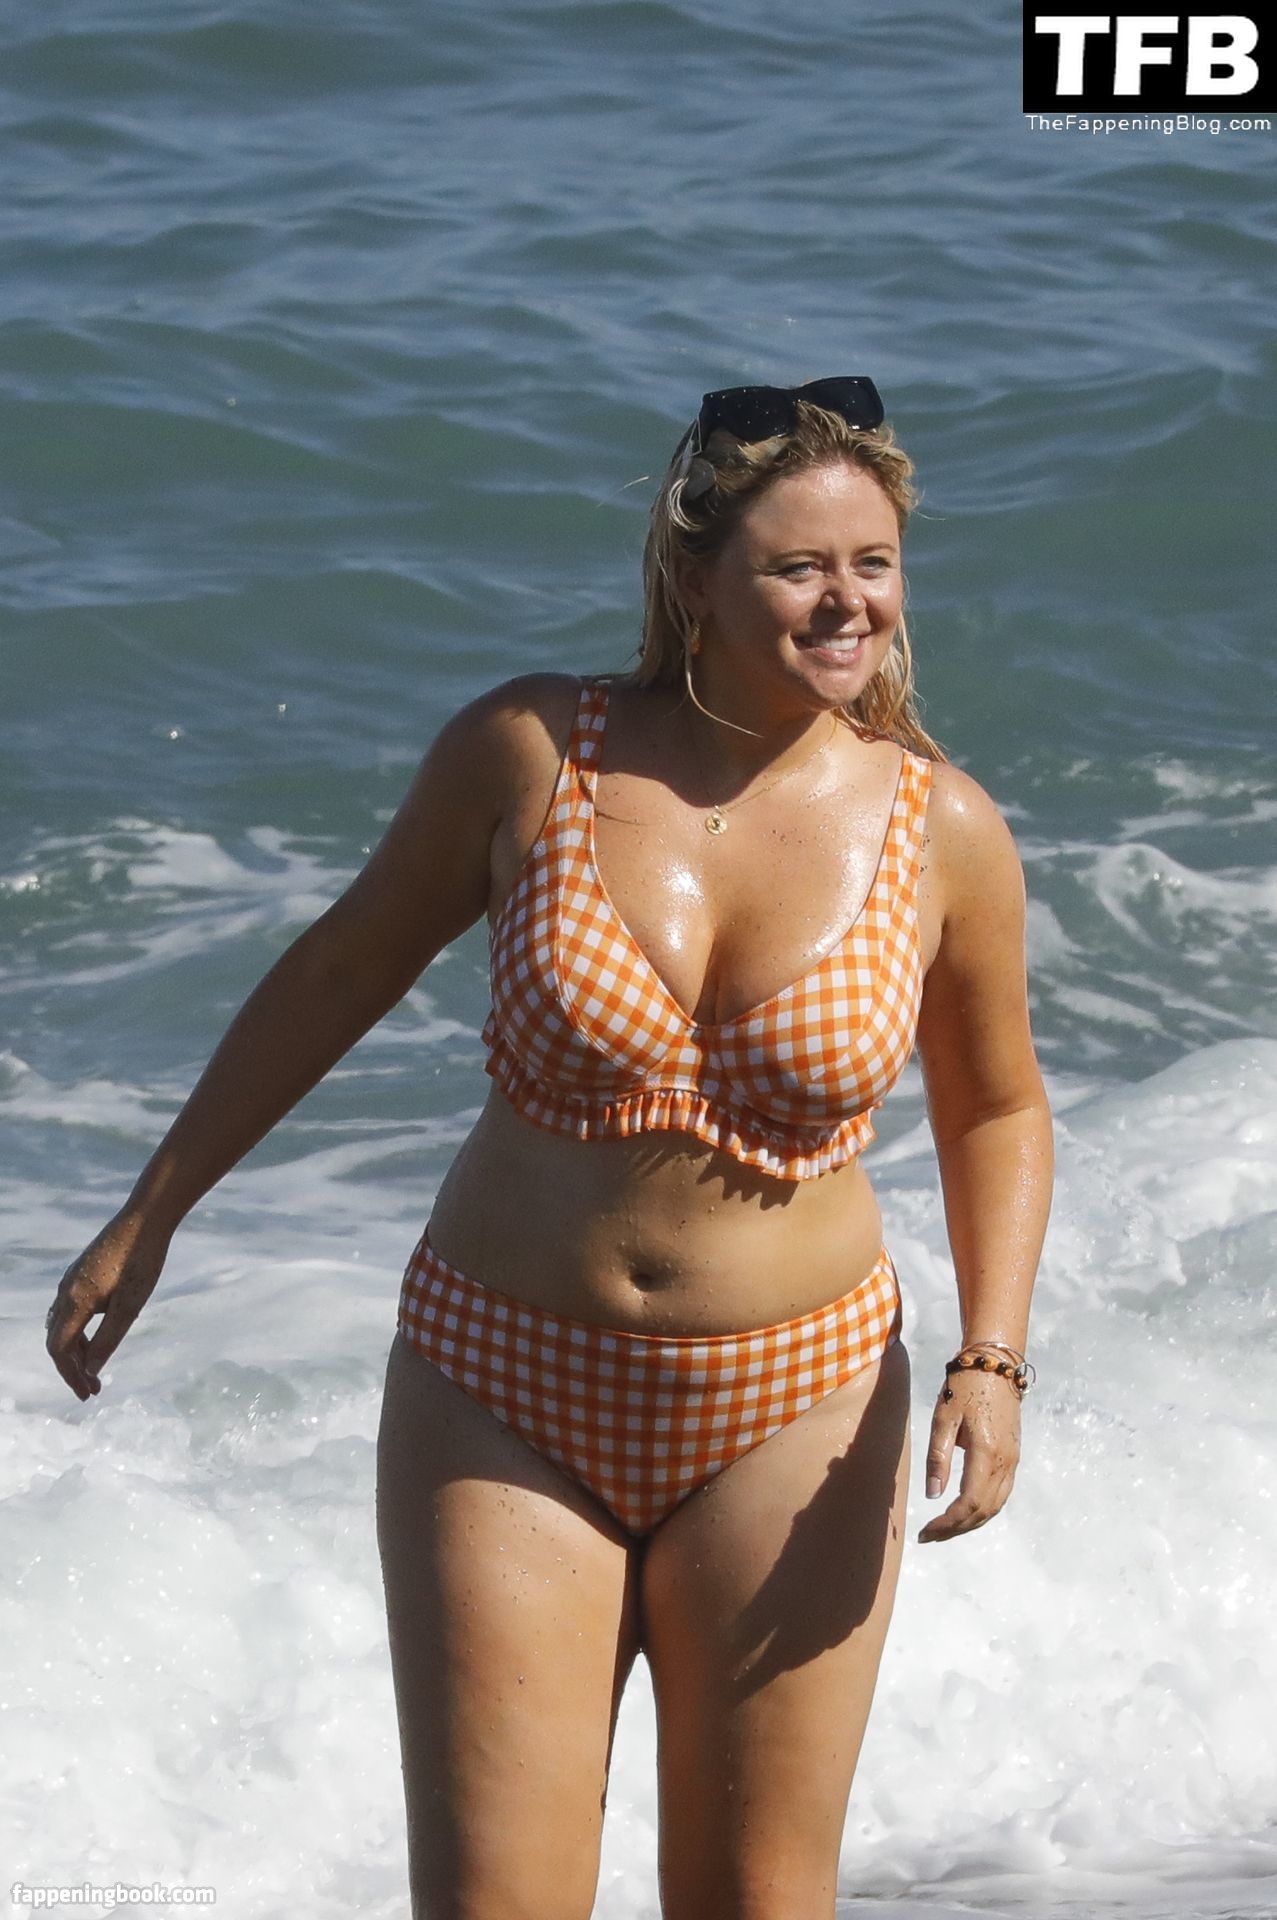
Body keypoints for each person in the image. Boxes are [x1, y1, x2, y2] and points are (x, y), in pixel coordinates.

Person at [46, 378, 1053, 1920]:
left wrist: (992, 1359)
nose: (845, 600)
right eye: (797, 566)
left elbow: (994, 1106)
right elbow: (342, 968)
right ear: (693, 577)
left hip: (796, 1397)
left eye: (873, 562)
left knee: (756, 1902)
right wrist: (155, 1208)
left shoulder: (941, 829)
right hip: (500, 1383)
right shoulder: (530, 753)